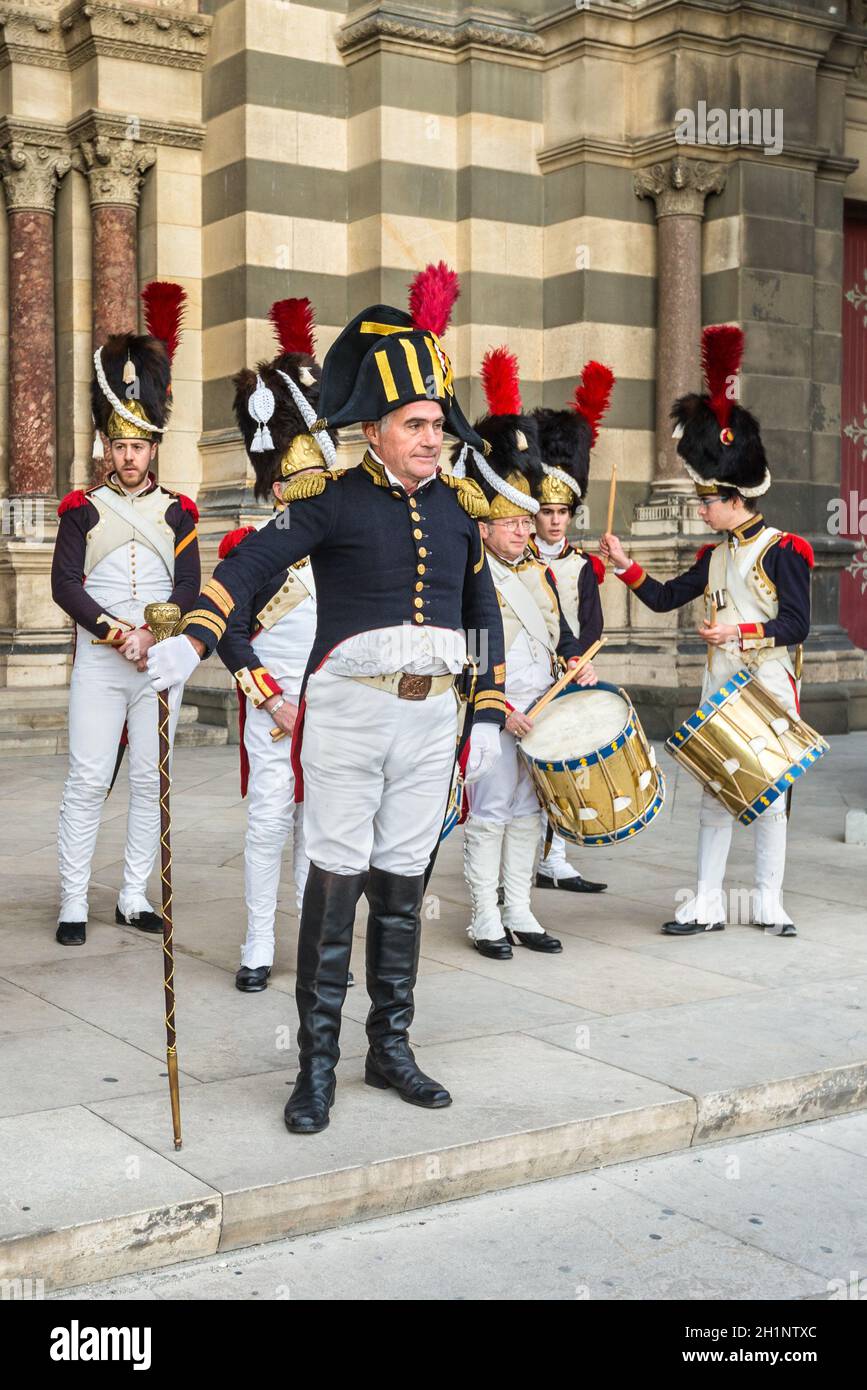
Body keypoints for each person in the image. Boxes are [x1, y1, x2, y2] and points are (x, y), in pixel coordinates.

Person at [147, 264, 507, 1133]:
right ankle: (314, 1067)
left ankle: (390, 1049)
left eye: (436, 425)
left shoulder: (461, 510)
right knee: (336, 883)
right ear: (375, 430)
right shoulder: (328, 499)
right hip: (346, 717)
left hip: (431, 719)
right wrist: (194, 638)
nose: (432, 438)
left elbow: (480, 609)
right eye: (416, 425)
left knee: (401, 885)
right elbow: (246, 567)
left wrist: (487, 708)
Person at [600, 324, 812, 938]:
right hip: (720, 688)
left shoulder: (785, 550)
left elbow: (796, 625)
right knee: (717, 794)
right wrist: (626, 567)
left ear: (733, 495)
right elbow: (666, 599)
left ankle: (769, 900)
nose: (699, 506)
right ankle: (707, 902)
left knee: (770, 795)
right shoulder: (713, 553)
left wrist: (740, 632)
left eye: (705, 498)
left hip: (768, 686)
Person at [51, 282, 200, 945]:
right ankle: (73, 900)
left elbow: (193, 589)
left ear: (154, 447)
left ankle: (134, 893)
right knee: (87, 778)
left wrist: (153, 635)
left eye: (139, 445)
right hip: (102, 663)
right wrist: (116, 634)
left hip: (159, 662)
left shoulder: (180, 512)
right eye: (120, 446)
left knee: (149, 779)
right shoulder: (80, 508)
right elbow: (64, 587)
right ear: (107, 448)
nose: (129, 456)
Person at [455, 347, 598, 960]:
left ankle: (520, 909)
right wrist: (494, 709)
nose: (523, 528)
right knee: (489, 814)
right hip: (499, 709)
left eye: (526, 520)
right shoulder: (474, 578)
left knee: (529, 814)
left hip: (541, 706)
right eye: (510, 522)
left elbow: (560, 632)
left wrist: (576, 660)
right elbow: (475, 652)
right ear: (485, 526)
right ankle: (484, 917)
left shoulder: (540, 573)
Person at [216, 298, 334, 992]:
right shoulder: (249, 547)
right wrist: (270, 699)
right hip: (272, 705)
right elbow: (228, 634)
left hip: (333, 704)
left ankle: (311, 938)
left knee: (320, 830)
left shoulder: (345, 547)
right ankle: (258, 942)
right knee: (268, 821)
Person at [528, 360, 615, 894]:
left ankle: (554, 856)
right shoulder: (516, 561)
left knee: (564, 764)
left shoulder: (583, 566)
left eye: (563, 511)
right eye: (546, 510)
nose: (555, 519)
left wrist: (582, 663)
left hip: (569, 677)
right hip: (526, 676)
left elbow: (592, 625)